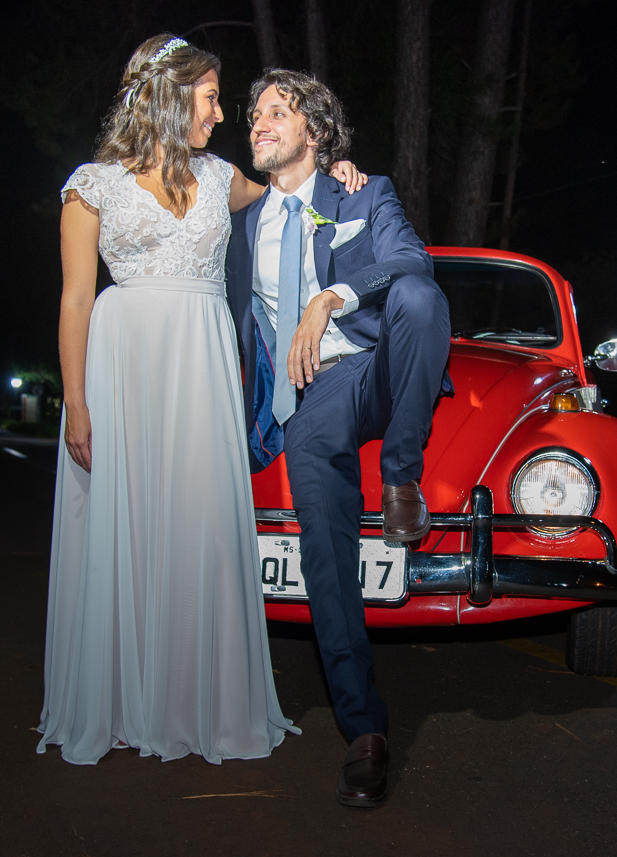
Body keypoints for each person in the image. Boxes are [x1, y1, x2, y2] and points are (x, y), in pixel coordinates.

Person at [37, 35, 364, 766]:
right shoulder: (92, 185)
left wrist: (339, 170)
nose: (222, 114)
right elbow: (74, 302)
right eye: (212, 96)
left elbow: (293, 185)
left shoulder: (221, 177)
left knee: (198, 523)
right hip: (122, 368)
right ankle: (122, 700)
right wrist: (79, 405)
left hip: (203, 366)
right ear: (169, 94)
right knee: (129, 526)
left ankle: (194, 699)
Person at [226, 70, 451, 805]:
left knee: (420, 294)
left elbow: (410, 262)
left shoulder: (362, 191)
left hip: (378, 367)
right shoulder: (242, 223)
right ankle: (365, 729)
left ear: (317, 135)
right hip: (312, 395)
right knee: (323, 541)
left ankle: (401, 476)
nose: (259, 121)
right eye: (255, 112)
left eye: (278, 111)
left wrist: (331, 295)